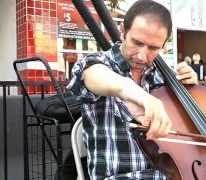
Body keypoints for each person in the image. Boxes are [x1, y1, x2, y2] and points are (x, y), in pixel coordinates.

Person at [67, 0, 198, 179]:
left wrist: (192, 90)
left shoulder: (163, 77)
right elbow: (95, 75)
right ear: (123, 31)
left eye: (153, 48)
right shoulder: (95, 64)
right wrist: (141, 96)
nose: (142, 55)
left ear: (164, 45)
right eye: (136, 42)